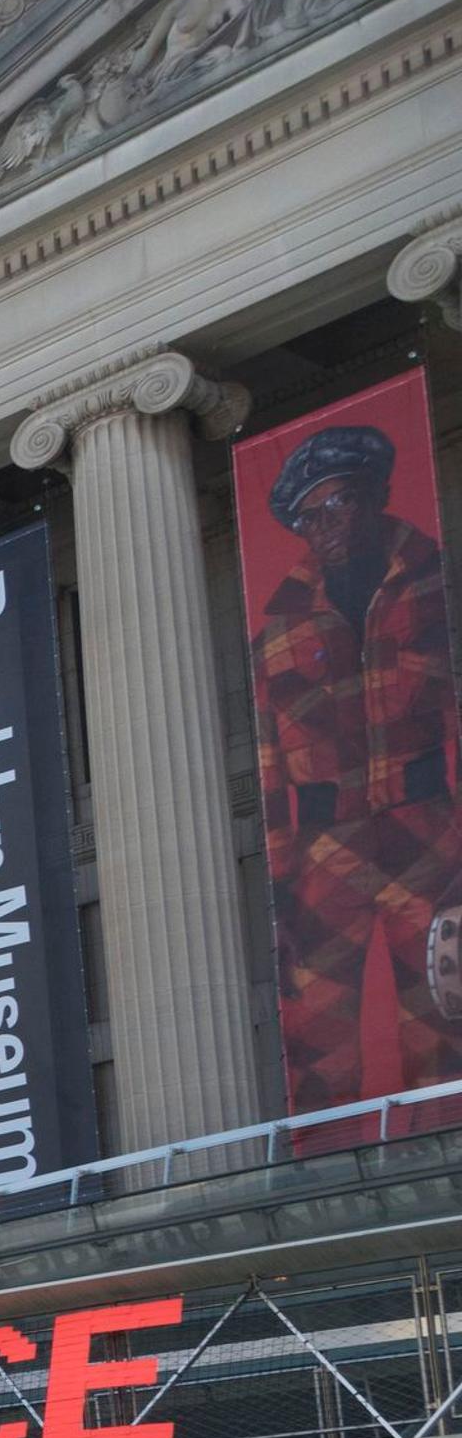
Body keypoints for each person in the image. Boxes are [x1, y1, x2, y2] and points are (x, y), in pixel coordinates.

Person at [251, 416, 462, 1101]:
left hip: (426, 830)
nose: (327, 525)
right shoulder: (279, 626)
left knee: (446, 1022)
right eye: (309, 518)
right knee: (315, 1043)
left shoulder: (437, 586)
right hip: (325, 849)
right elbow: (268, 765)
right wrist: (283, 887)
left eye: (339, 502)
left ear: (377, 496)